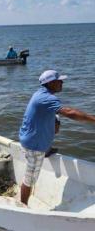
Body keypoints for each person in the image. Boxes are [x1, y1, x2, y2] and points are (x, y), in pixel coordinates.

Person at [19, 69, 95, 205]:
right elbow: (70, 112)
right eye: (59, 81)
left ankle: (47, 149)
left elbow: (51, 116)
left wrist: (56, 121)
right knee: (29, 180)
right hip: (34, 146)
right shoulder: (47, 98)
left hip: (29, 137)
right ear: (51, 83)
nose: (62, 83)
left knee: (55, 122)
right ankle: (22, 206)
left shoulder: (40, 93)